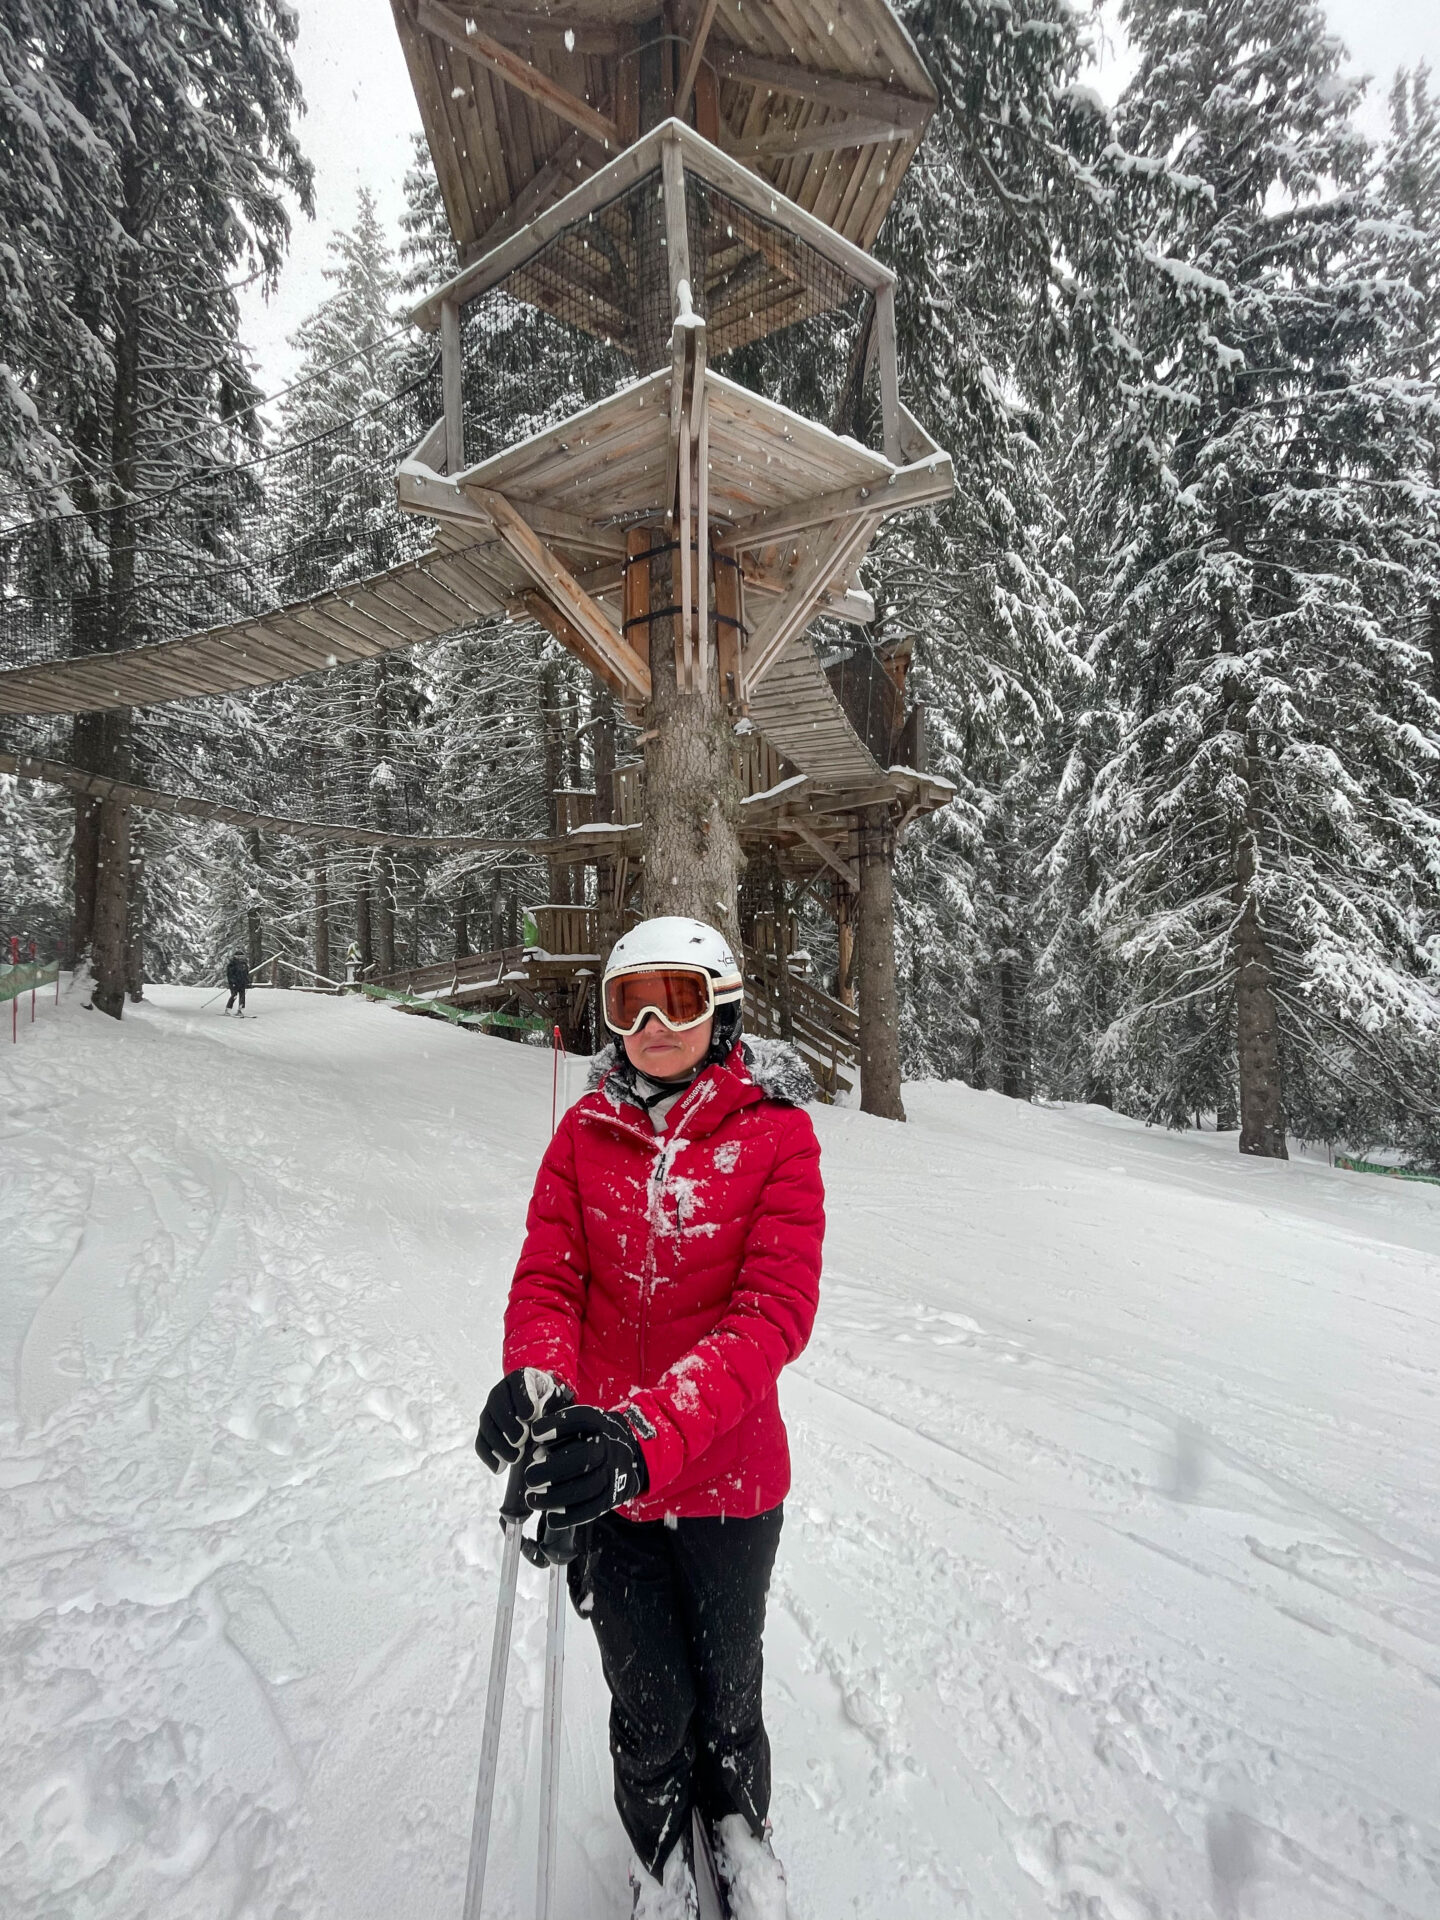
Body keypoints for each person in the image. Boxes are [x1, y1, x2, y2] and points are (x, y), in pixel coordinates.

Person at [475, 915, 824, 1920]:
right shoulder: (584, 1138)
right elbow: (550, 1279)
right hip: (608, 1488)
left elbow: (771, 1315)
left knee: (725, 1698)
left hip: (730, 1482)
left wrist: (646, 1436)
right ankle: (658, 1847)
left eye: (678, 997)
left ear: (722, 1008)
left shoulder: (774, 1135)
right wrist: (538, 1381)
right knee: (651, 1706)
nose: (655, 1023)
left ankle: (739, 1832)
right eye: (632, 1004)